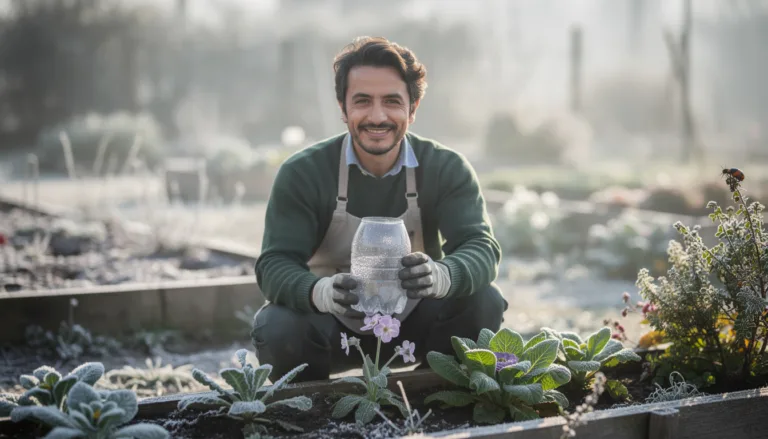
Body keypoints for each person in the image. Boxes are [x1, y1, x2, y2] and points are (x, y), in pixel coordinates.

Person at [251, 36, 508, 383]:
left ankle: (434, 391)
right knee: (276, 326)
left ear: (412, 109)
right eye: (362, 101)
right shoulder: (304, 172)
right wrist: (319, 291)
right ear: (343, 108)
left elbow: (481, 247)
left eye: (392, 101)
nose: (377, 116)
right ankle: (315, 408)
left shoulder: (445, 168)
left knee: (484, 301)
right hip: (333, 330)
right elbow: (274, 264)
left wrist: (444, 275)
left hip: (414, 328)